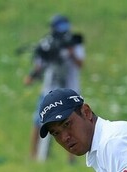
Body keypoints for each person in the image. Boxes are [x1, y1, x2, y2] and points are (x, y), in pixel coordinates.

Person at [23, 15, 85, 162]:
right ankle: (33, 156)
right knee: (39, 121)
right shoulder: (47, 43)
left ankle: (72, 157)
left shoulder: (73, 42)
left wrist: (71, 52)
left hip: (71, 89)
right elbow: (40, 64)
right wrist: (32, 76)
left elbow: (80, 64)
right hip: (49, 90)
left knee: (72, 121)